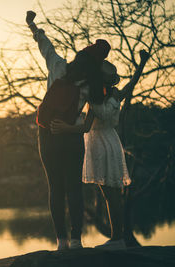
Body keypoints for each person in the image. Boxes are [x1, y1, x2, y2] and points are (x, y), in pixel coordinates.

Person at [51, 49, 150, 250]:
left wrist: (65, 128)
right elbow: (133, 82)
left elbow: (86, 128)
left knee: (109, 194)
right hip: (113, 142)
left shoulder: (94, 98)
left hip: (99, 145)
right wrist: (142, 63)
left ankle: (117, 239)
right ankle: (118, 237)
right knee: (113, 192)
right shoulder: (115, 94)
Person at [26, 10, 109, 250]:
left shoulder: (59, 67)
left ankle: (61, 241)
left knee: (56, 188)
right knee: (74, 187)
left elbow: (46, 46)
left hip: (48, 133)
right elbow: (104, 100)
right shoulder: (92, 86)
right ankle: (76, 240)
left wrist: (32, 25)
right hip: (72, 135)